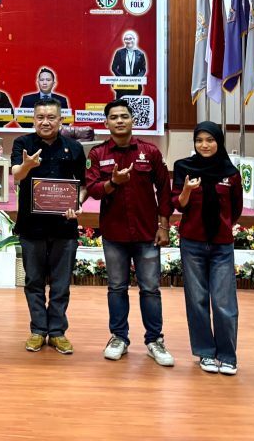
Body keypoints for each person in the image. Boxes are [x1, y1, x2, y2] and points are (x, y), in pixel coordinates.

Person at [86, 99, 174, 366]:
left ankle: (154, 340)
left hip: (147, 233)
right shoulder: (97, 154)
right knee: (116, 288)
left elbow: (165, 190)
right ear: (106, 123)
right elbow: (93, 190)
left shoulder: (150, 151)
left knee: (150, 289)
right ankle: (119, 338)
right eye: (114, 117)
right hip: (114, 234)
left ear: (132, 120)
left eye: (124, 116)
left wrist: (163, 226)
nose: (120, 121)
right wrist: (113, 182)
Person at [10, 98, 86, 355]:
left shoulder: (74, 147)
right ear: (34, 120)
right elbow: (17, 174)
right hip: (32, 227)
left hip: (65, 226)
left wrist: (77, 203)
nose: (45, 122)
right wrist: (27, 165)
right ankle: (38, 330)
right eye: (40, 117)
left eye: (51, 117)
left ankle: (57, 332)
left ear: (60, 120)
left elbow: (83, 185)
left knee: (61, 284)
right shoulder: (23, 143)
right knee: (33, 281)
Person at [172, 121, 242, 376]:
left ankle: (227, 356)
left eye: (210, 140)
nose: (204, 145)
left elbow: (235, 209)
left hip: (221, 245)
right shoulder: (184, 167)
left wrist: (222, 227)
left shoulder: (231, 173)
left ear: (219, 142)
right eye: (199, 140)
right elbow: (178, 205)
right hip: (192, 243)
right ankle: (205, 352)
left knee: (224, 302)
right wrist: (187, 191)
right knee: (197, 300)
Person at [110, 30, 147, 99]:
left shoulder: (141, 54)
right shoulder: (119, 52)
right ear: (124, 41)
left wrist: (136, 79)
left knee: (134, 102)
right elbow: (114, 67)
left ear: (134, 39)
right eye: (126, 39)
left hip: (135, 84)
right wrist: (122, 77)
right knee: (121, 102)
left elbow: (143, 69)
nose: (128, 41)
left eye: (130, 38)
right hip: (122, 84)